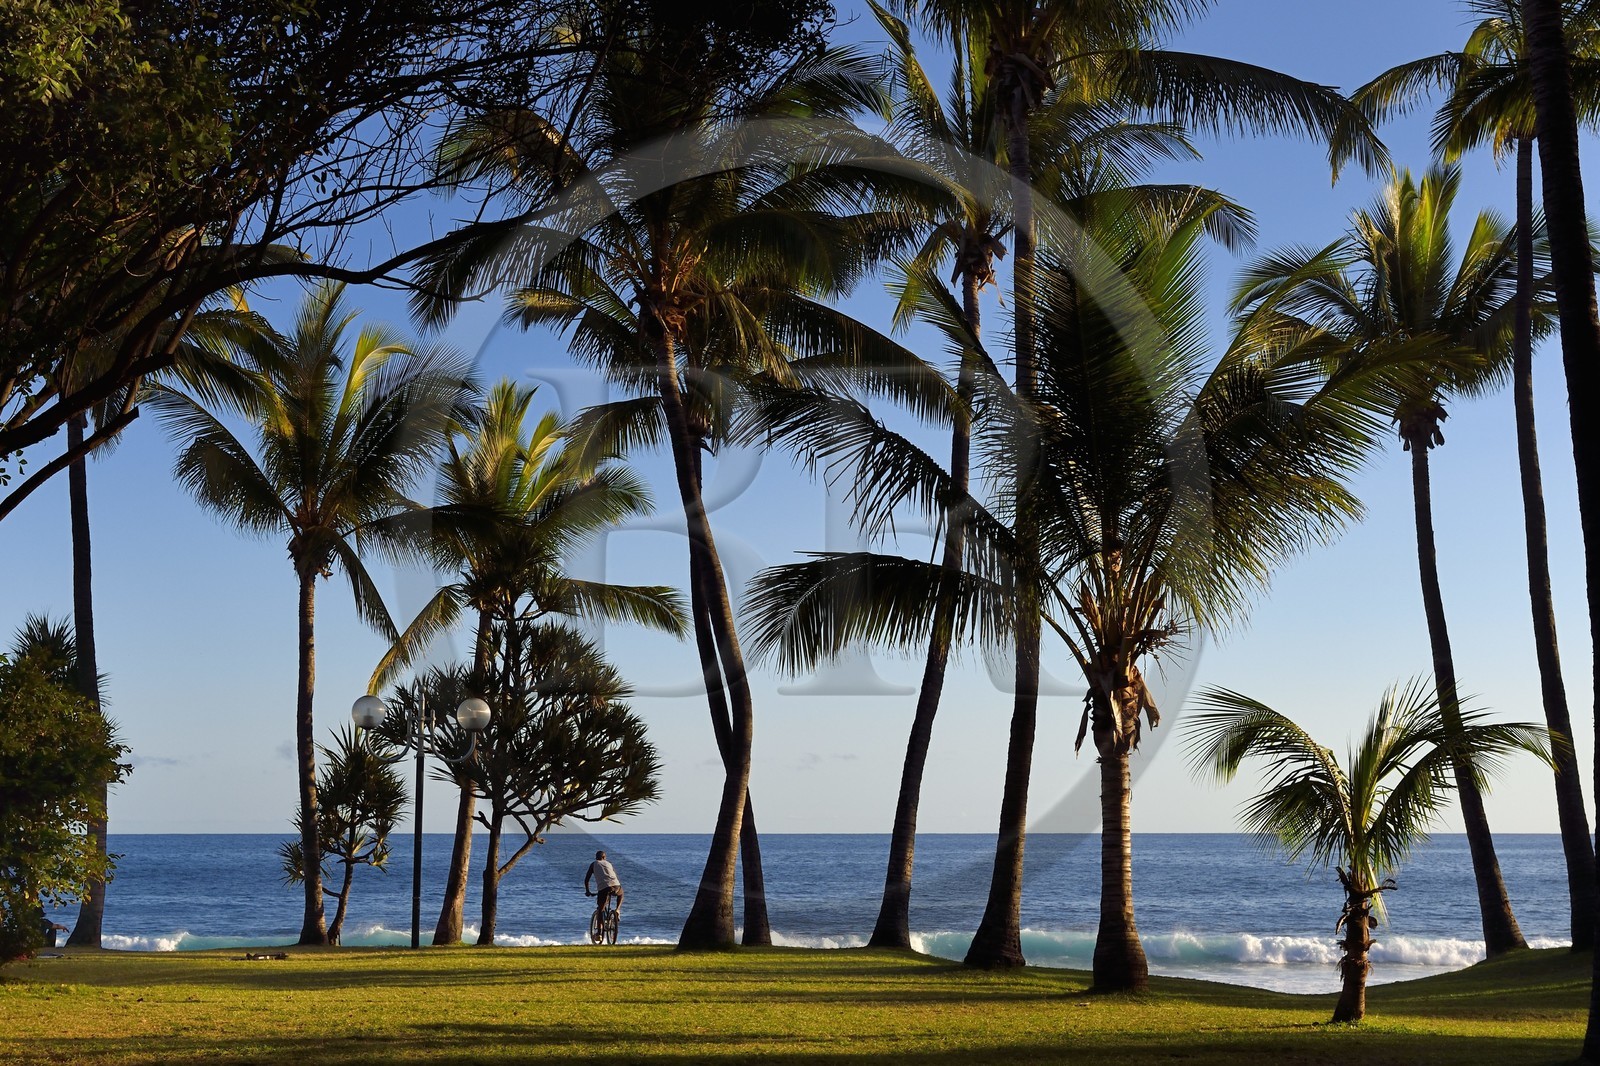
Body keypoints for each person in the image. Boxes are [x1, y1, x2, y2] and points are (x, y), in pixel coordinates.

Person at [584, 849, 624, 917]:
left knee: (600, 910)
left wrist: (588, 891)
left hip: (604, 888)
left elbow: (586, 879)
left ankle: (600, 927)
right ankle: (617, 909)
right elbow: (615, 876)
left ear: (596, 858)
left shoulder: (594, 864)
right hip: (616, 886)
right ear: (604, 857)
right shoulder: (609, 864)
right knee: (621, 893)